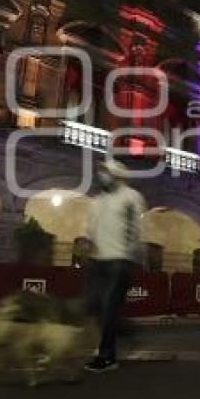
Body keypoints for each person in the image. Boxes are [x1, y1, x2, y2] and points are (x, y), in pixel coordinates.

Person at [83, 159, 146, 373]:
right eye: (100, 172)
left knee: (109, 306)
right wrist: (87, 246)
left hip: (119, 260)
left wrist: (129, 255)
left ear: (118, 175)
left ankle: (107, 355)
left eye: (106, 172)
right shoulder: (96, 201)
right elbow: (90, 229)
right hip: (97, 260)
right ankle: (126, 330)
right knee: (93, 305)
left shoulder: (131, 197)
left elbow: (133, 227)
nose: (102, 176)